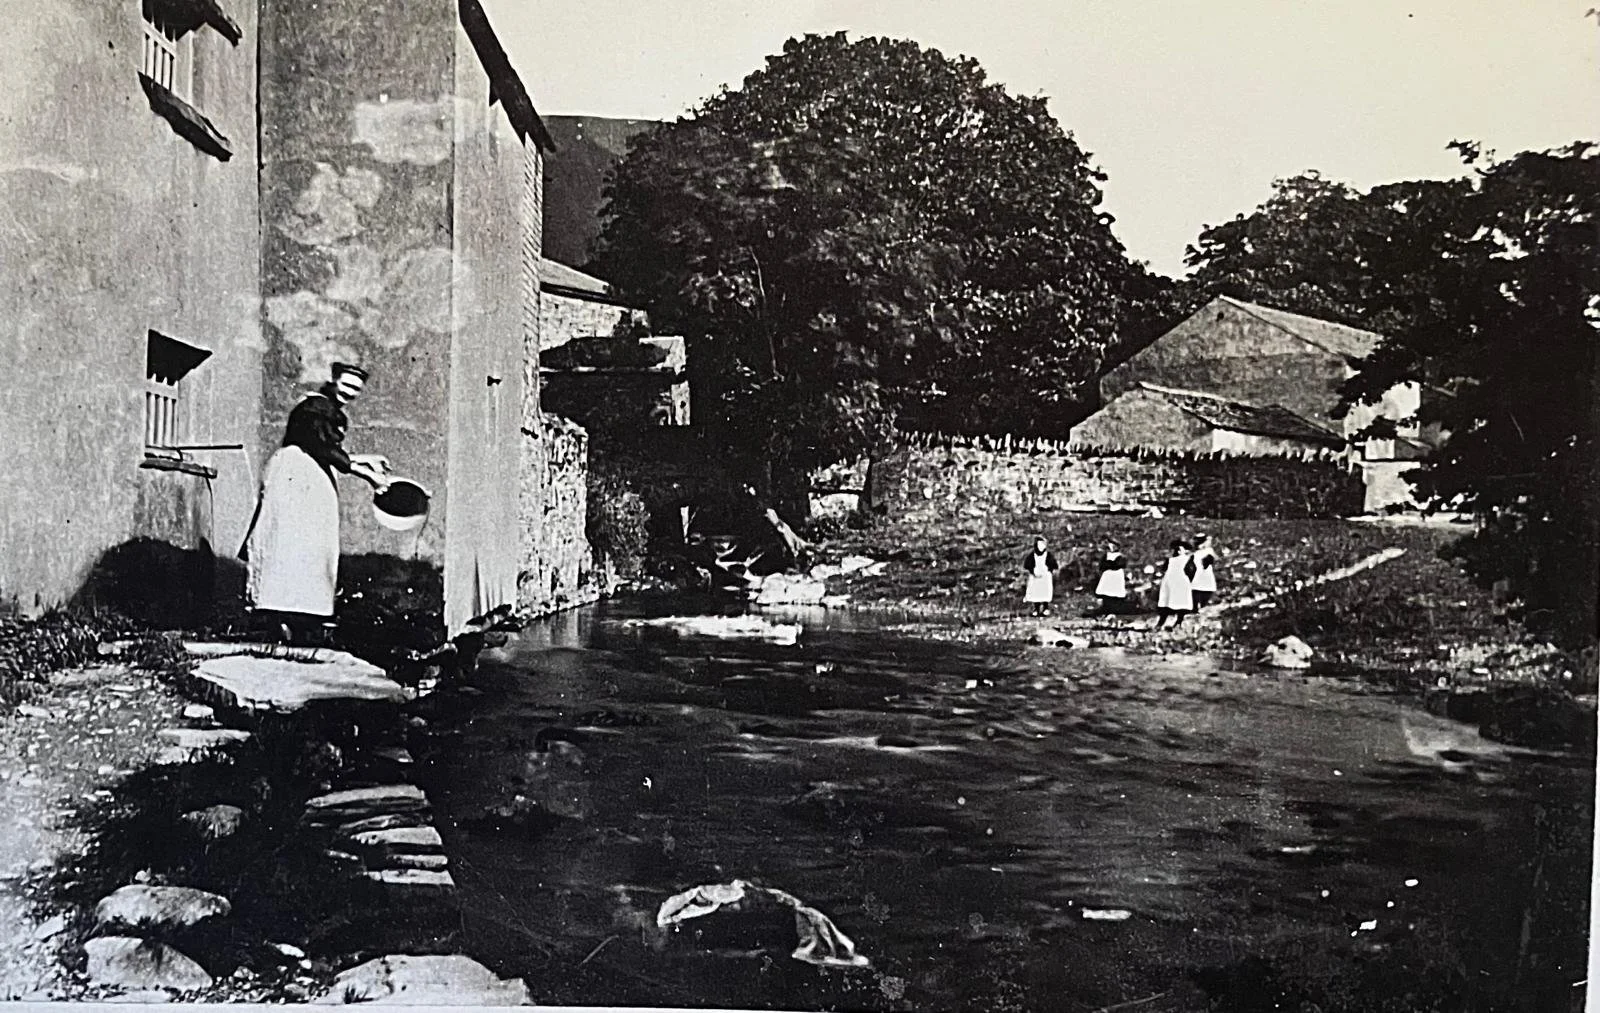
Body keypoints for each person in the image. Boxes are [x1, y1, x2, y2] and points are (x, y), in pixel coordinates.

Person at [241, 362, 390, 643]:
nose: (350, 393)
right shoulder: (314, 407)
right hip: (297, 478)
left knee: (312, 546)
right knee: (289, 543)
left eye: (356, 390)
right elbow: (321, 447)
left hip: (311, 478)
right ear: (333, 380)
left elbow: (326, 448)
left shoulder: (325, 412)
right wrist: (370, 477)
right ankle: (279, 616)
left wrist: (366, 459)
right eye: (346, 385)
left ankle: (302, 616)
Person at [1154, 539, 1196, 629]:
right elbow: (1163, 569)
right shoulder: (1170, 560)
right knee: (1166, 602)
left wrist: (1188, 579)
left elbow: (1192, 570)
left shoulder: (1187, 559)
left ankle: (1179, 621)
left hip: (1181, 582)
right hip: (1169, 582)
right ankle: (1161, 622)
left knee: (1181, 602)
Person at [1020, 535, 1060, 618]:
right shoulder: (1032, 555)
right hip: (1035, 576)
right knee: (1036, 593)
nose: (1041, 546)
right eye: (1040, 544)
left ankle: (1045, 608)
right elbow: (1027, 565)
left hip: (1045, 576)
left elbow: (1053, 565)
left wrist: (1049, 570)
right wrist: (1032, 570)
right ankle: (1036, 608)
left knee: (1045, 592)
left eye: (1043, 544)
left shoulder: (1048, 555)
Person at [1092, 540, 1129, 615]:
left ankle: (1115, 610)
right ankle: (1106, 610)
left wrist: (1110, 564)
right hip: (1107, 576)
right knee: (1106, 593)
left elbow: (1118, 565)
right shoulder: (1106, 555)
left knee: (1116, 593)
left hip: (1116, 576)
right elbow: (1102, 565)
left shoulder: (1120, 556)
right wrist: (1110, 564)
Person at [1191, 533, 1219, 609]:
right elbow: (1216, 558)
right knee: (1201, 589)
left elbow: (1214, 558)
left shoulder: (1204, 551)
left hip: (1201, 573)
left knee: (1198, 589)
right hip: (1202, 573)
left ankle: (1198, 606)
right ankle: (1199, 606)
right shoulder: (1206, 551)